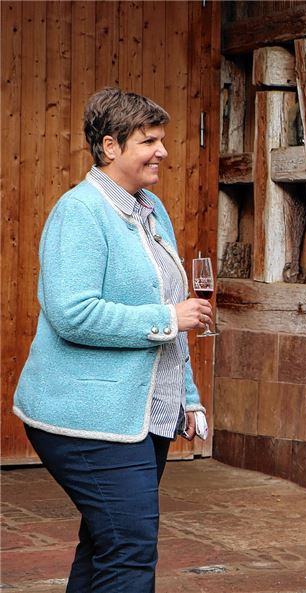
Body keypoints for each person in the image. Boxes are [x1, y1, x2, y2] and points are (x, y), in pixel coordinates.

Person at [13, 87, 213, 592]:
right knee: (129, 550)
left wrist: (187, 398)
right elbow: (73, 314)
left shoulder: (151, 209)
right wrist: (168, 317)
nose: (163, 151)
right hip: (87, 418)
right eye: (150, 140)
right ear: (109, 147)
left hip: (145, 417)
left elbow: (178, 310)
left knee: (108, 543)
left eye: (162, 139)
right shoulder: (79, 212)